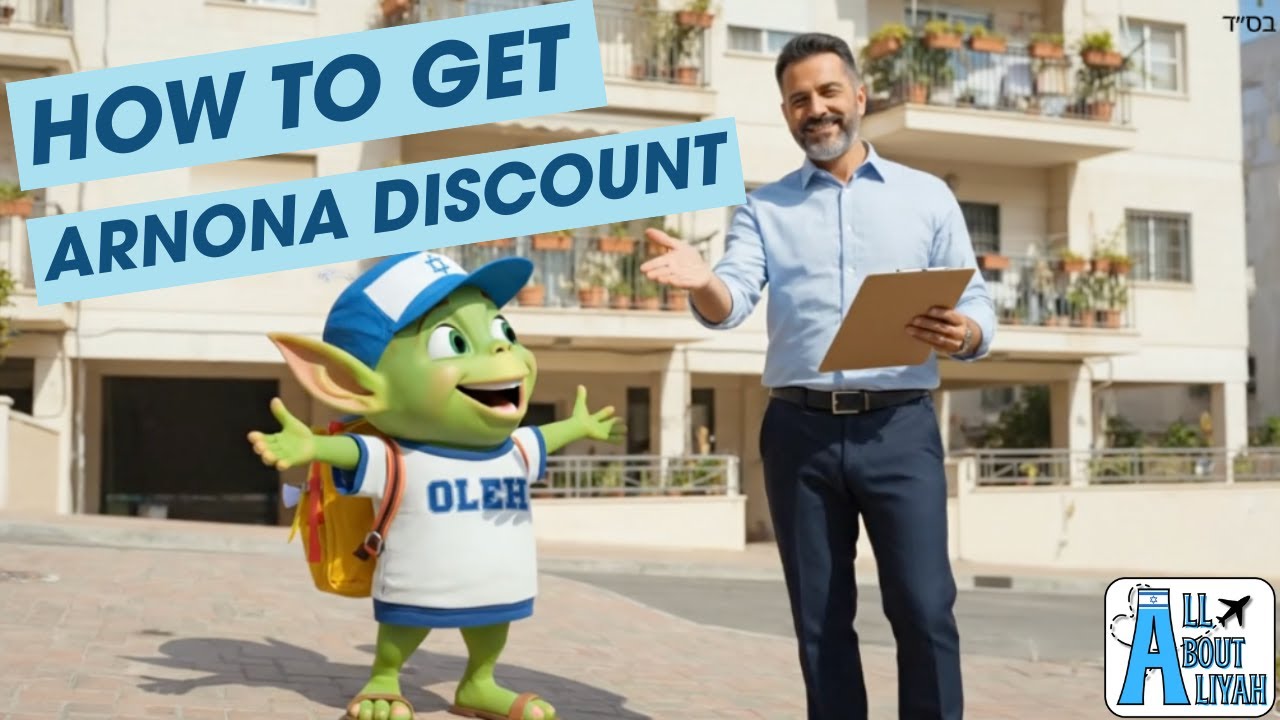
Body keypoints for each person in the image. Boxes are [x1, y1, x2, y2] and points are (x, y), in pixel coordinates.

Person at [639, 33, 995, 720]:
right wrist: (705, 280)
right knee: (821, 622)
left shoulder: (925, 198)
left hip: (900, 429)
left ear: (858, 97)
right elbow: (731, 301)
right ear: (786, 113)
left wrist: (969, 331)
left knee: (924, 610)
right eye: (799, 99)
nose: (817, 108)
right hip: (798, 435)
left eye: (829, 92)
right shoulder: (763, 208)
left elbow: (974, 298)